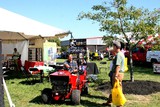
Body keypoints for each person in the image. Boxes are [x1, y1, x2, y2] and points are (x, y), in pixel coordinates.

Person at [103, 41, 125, 107]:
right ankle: (109, 102)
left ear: (115, 47)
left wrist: (115, 75)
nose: (113, 47)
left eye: (113, 46)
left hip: (117, 74)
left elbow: (118, 66)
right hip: (119, 73)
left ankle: (119, 105)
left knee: (117, 89)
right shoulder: (120, 54)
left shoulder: (118, 55)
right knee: (114, 88)